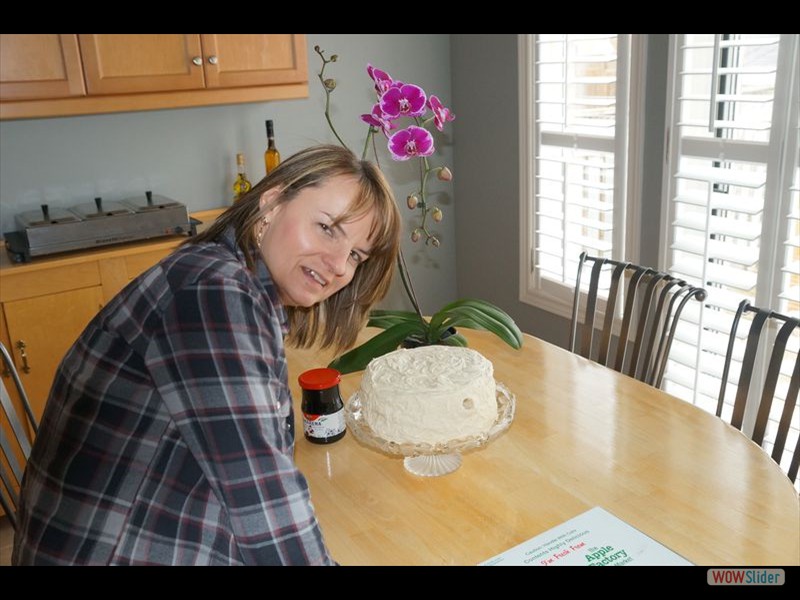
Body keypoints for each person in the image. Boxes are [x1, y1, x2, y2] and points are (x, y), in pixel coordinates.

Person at [11, 144, 401, 565]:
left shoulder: (223, 278)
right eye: (327, 228)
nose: (340, 265)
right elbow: (261, 500)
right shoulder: (213, 292)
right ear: (271, 203)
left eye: (357, 256)